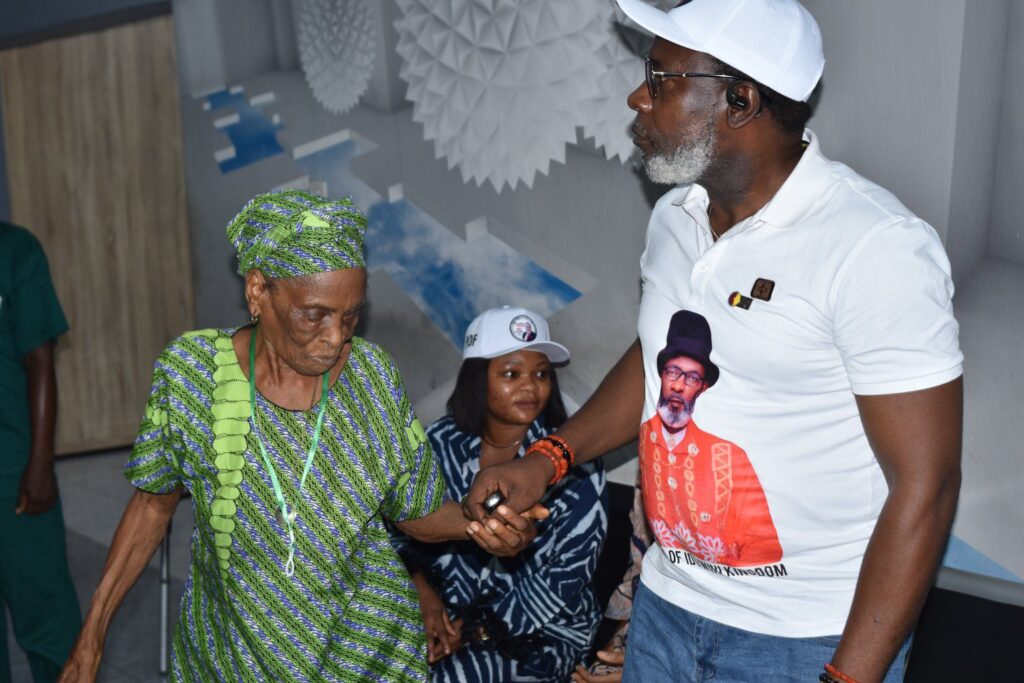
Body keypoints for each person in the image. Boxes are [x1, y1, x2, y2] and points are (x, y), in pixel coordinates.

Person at [465, 1, 964, 682]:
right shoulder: (676, 217)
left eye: (661, 79)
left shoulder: (874, 246)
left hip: (804, 639)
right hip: (666, 610)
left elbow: (927, 484)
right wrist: (550, 457)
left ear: (740, 100)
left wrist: (848, 675)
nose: (638, 97)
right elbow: (657, 358)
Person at [59, 191, 534, 683]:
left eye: (351, 316)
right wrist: (92, 635)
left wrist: (485, 527)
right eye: (315, 314)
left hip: (367, 655)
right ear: (258, 291)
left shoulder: (371, 376)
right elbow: (151, 507)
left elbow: (417, 513)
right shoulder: (192, 374)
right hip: (235, 658)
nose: (336, 337)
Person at [394, 306, 607, 682]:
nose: (531, 387)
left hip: (541, 632)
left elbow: (568, 571)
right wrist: (422, 591)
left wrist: (475, 631)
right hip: (444, 614)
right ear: (478, 379)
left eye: (541, 374)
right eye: (512, 373)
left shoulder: (572, 459)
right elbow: (399, 527)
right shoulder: (438, 442)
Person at [0, 222, 81, 682]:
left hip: (12, 469)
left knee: (47, 619)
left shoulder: (17, 252)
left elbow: (40, 361)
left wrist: (40, 464)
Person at [640, 309, 781, 567]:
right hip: (660, 577)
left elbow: (766, 550)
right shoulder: (645, 435)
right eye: (673, 372)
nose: (679, 385)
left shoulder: (728, 456)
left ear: (703, 387)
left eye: (692, 378)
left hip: (729, 588)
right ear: (661, 374)